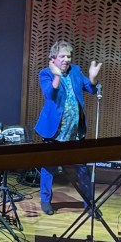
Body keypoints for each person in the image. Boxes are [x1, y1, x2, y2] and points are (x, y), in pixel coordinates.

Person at [33, 40, 101, 216]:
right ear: (53, 58)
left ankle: (89, 204)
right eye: (62, 56)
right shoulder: (45, 73)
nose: (66, 59)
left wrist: (92, 78)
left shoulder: (75, 71)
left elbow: (91, 89)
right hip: (54, 131)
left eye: (68, 56)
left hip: (74, 131)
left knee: (82, 169)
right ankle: (45, 201)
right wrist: (57, 76)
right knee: (48, 167)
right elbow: (50, 94)